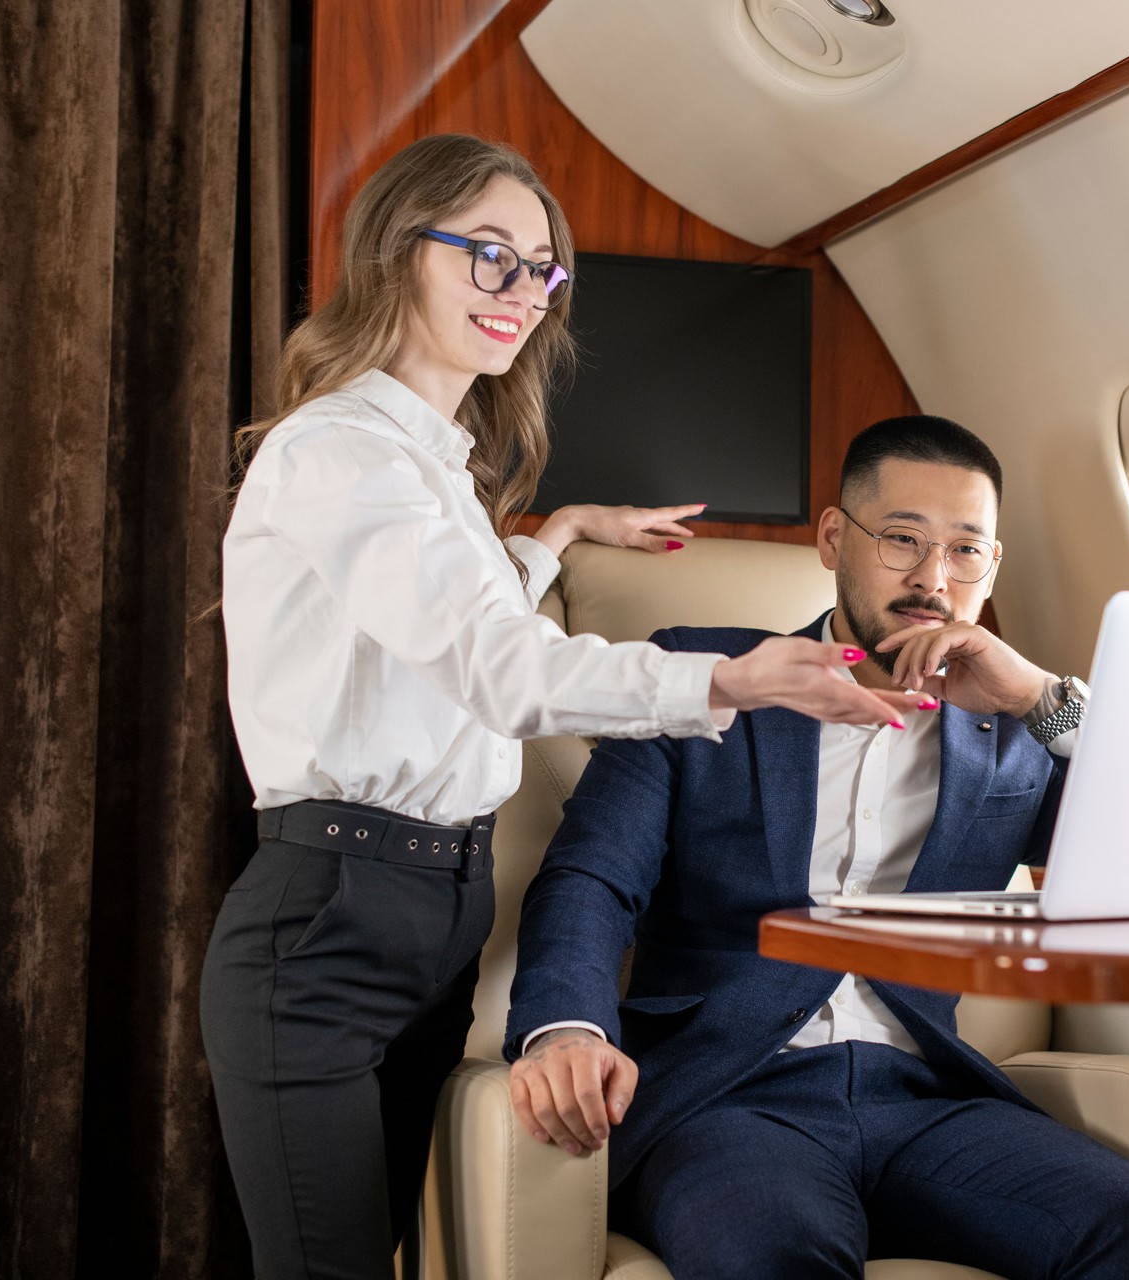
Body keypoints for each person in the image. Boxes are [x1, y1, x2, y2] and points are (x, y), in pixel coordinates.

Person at [199, 134, 930, 1280]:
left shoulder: (438, 467)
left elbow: (462, 617)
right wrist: (727, 678)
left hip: (436, 910)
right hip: (329, 916)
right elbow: (504, 669)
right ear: (399, 250)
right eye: (489, 256)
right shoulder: (341, 453)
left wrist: (559, 534)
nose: (523, 295)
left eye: (541, 269)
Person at [505, 416, 1129, 1279]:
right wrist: (562, 1030)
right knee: (776, 1251)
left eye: (964, 553)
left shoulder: (1018, 732)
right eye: (902, 540)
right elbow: (592, 878)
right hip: (728, 1097)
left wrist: (1039, 696)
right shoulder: (702, 678)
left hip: (924, 1098)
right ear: (835, 538)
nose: (932, 580)